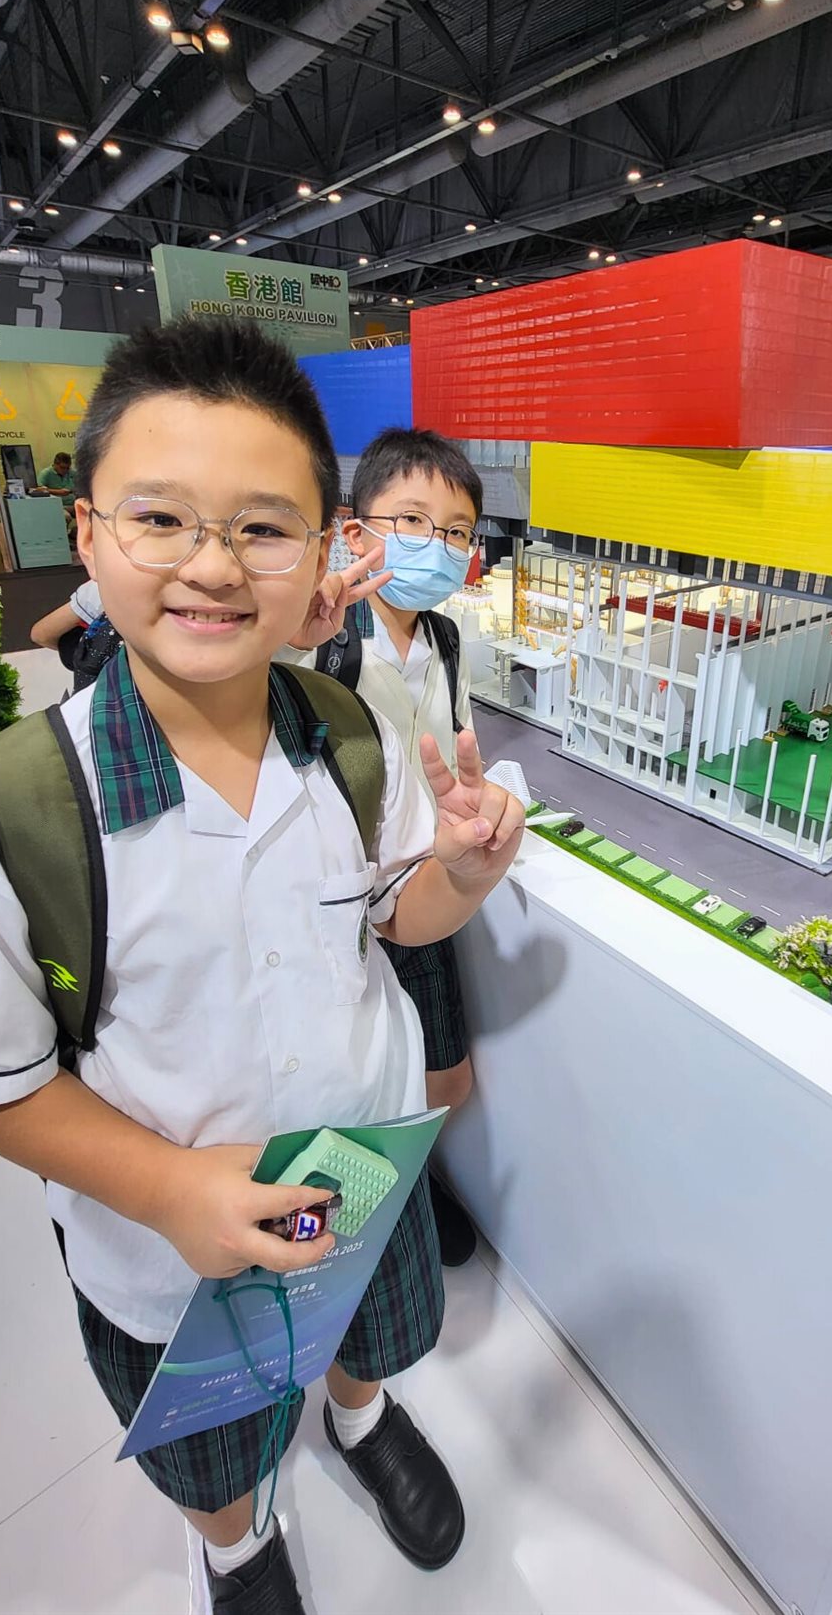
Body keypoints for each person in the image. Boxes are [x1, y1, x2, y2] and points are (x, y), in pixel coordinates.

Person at [0, 316, 525, 1615]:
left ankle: (360, 1419)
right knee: (210, 1440)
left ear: (321, 554)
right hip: (167, 1245)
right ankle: (235, 1545)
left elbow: (391, 917)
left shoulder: (349, 738)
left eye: (260, 527)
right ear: (87, 535)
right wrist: (168, 1186)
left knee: (365, 1331)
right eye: (160, 519)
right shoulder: (9, 812)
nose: (211, 564)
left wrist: (458, 877)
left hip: (362, 1166)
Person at [337, 427, 484, 1268]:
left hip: (421, 886)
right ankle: (362, 1226)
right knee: (348, 1076)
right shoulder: (317, 639)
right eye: (415, 521)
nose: (439, 545)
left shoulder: (446, 639)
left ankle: (406, 1191)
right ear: (357, 531)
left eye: (457, 531)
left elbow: (454, 743)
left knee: (442, 1078)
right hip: (338, 901)